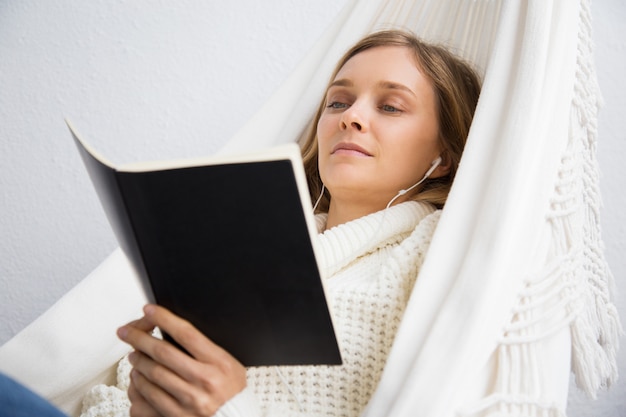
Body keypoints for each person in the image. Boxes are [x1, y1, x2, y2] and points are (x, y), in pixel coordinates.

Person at [82, 29, 484, 417]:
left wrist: (227, 410)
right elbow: (116, 392)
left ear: (444, 156)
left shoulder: (437, 254)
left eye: (390, 106)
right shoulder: (242, 246)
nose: (352, 117)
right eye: (339, 102)